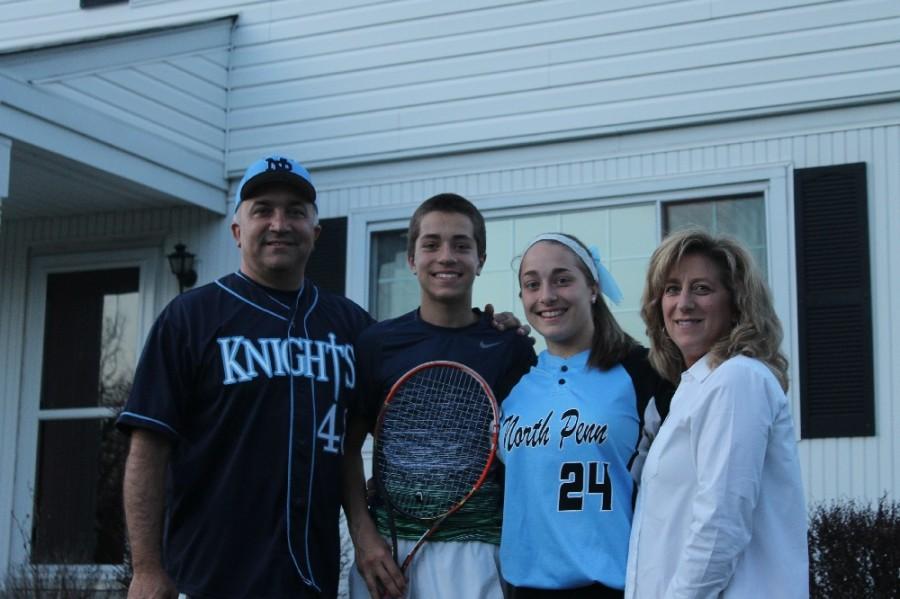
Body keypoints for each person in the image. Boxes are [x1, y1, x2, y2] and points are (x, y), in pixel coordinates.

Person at [117, 154, 375, 598]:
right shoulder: (191, 317)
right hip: (209, 579)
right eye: (263, 210)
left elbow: (402, 397)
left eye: (296, 212)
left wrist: (483, 324)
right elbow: (147, 447)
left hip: (311, 582)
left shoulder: (351, 325)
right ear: (237, 232)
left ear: (315, 233)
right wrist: (146, 569)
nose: (280, 223)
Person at [343, 193, 537, 599]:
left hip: (481, 553)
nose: (446, 256)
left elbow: (526, 456)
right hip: (388, 555)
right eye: (431, 244)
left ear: (480, 260)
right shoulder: (377, 344)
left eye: (461, 245)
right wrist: (364, 538)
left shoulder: (510, 347)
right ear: (411, 259)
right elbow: (345, 450)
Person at [625, 228, 808, 598]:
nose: (684, 303)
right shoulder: (695, 387)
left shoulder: (737, 379)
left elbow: (720, 525)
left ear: (737, 303)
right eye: (672, 289)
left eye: (702, 289)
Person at [498, 233, 673, 599]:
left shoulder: (645, 373)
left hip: (613, 587)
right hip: (523, 589)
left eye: (562, 279)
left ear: (592, 288)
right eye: (532, 284)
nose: (546, 295)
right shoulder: (511, 379)